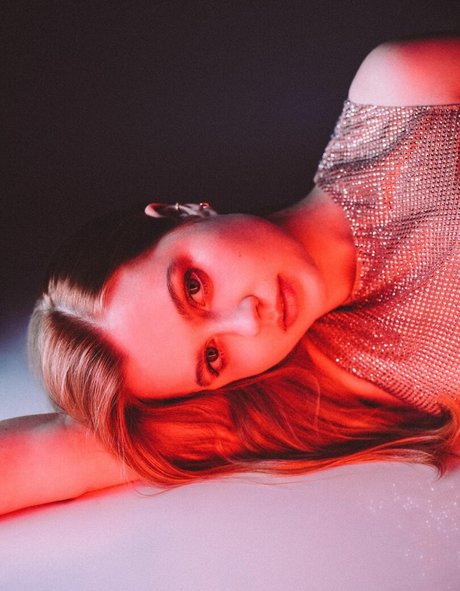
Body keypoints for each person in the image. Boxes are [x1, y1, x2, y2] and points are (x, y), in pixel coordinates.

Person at [2, 35, 460, 515]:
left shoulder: (408, 98)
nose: (247, 321)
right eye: (213, 357)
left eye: (193, 287)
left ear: (180, 212)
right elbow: (48, 457)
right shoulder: (314, 396)